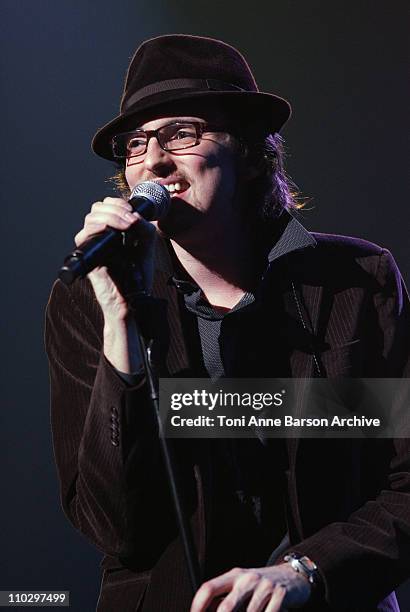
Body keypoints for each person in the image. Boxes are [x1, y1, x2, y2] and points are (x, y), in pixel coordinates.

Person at [45, 34, 410, 612]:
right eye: (135, 143)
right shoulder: (87, 302)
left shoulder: (357, 279)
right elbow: (112, 526)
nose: (154, 159)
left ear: (245, 148)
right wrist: (122, 326)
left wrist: (307, 571)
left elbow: (405, 483)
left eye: (181, 133)